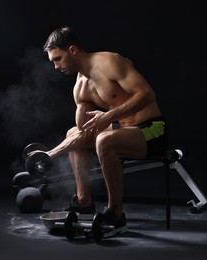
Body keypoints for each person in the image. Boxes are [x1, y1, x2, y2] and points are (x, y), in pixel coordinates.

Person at [35, 26, 169, 237]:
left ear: (72, 50)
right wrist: (49, 154)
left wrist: (108, 116)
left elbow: (147, 94)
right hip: (123, 129)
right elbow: (82, 132)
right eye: (53, 61)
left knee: (104, 141)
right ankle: (84, 202)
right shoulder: (80, 86)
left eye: (58, 59)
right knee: (72, 134)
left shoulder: (109, 62)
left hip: (152, 129)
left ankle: (115, 215)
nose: (55, 66)